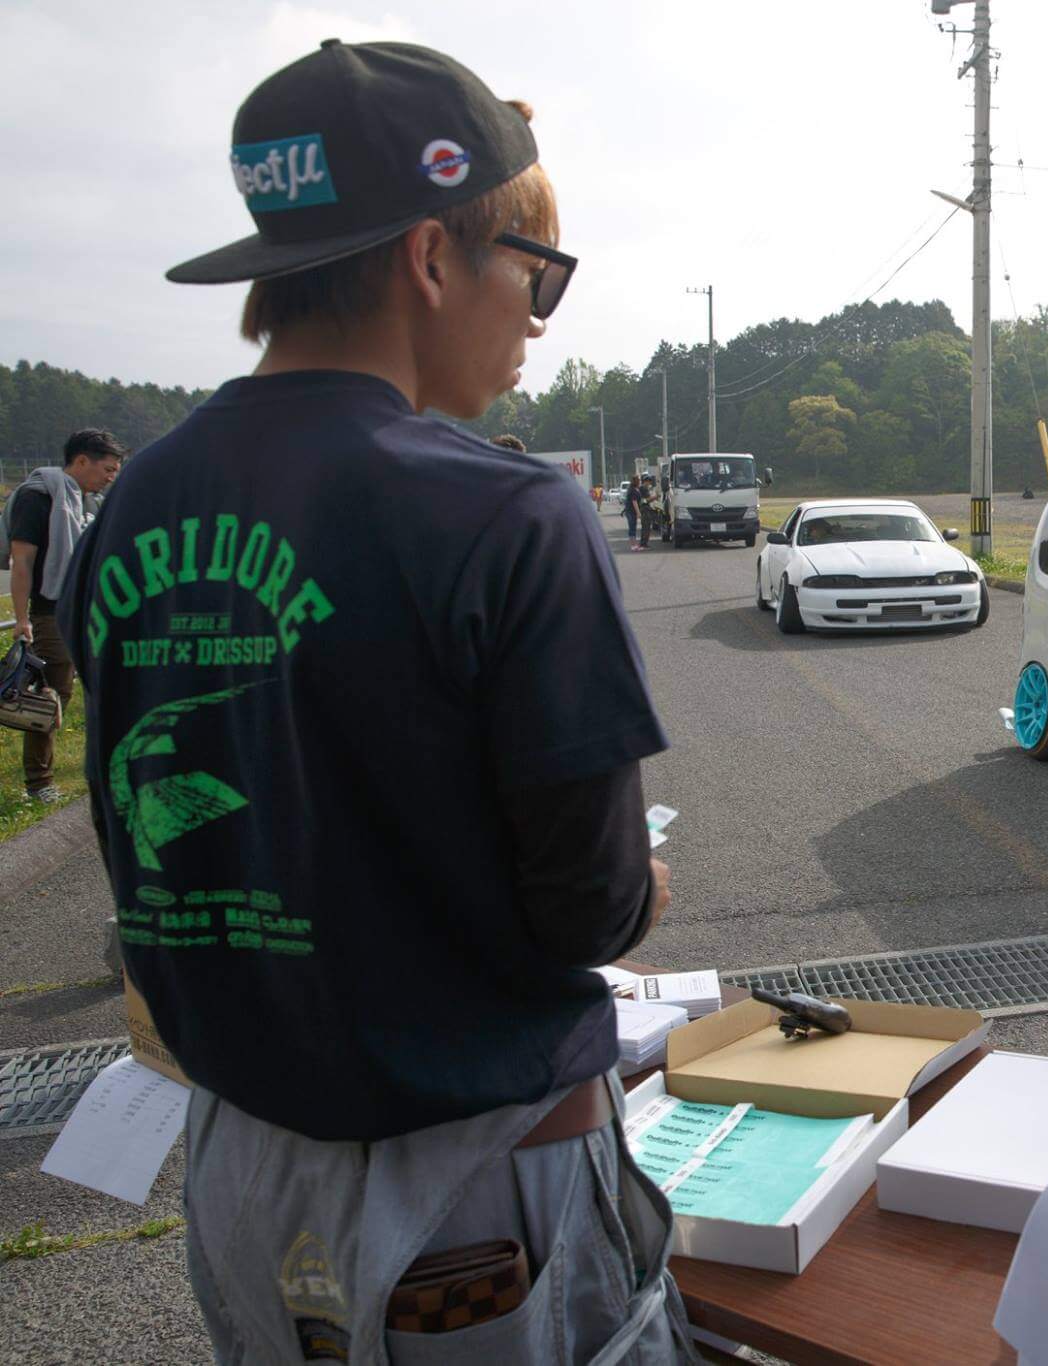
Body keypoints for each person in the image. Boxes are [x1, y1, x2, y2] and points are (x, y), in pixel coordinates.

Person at [62, 40, 692, 1362]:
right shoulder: (511, 514)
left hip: (237, 1165)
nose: (536, 321)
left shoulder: (136, 508)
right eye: (537, 277)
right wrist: (644, 889)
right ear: (428, 257)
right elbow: (588, 902)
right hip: (475, 1194)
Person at [5, 428, 124, 801]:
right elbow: (22, 561)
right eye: (107, 469)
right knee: (51, 695)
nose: (111, 478)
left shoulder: (85, 505)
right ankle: (39, 784)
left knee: (80, 690)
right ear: (81, 461)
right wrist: (22, 619)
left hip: (81, 608)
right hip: (48, 610)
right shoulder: (39, 497)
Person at [623, 472, 640, 545]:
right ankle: (633, 544)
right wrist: (638, 512)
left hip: (630, 511)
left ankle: (634, 543)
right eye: (638, 480)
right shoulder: (633, 490)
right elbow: (634, 502)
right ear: (636, 481)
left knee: (633, 527)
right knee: (632, 527)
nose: (639, 481)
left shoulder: (633, 489)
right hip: (631, 511)